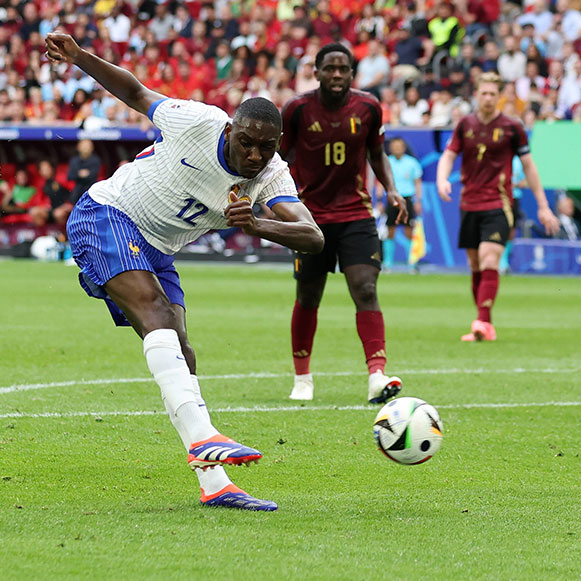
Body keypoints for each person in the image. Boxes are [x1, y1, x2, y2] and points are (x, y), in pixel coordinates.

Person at [45, 31, 325, 511]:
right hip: (107, 213)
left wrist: (258, 224)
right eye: (247, 143)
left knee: (184, 354)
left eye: (266, 147)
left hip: (157, 248)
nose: (255, 155)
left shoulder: (272, 175)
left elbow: (313, 236)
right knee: (155, 312)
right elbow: (136, 93)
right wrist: (78, 57)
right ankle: (202, 437)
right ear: (229, 131)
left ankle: (216, 485)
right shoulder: (196, 121)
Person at [280, 43, 408, 403]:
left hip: (356, 213)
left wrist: (392, 190)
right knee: (308, 295)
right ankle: (302, 377)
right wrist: (277, 200)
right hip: (310, 219)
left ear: (352, 74)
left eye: (344, 69)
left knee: (366, 289)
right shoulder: (297, 109)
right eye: (330, 68)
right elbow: (279, 157)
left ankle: (377, 376)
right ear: (316, 71)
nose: (337, 75)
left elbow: (376, 153)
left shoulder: (368, 107)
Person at [436, 71, 559, 342]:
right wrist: (442, 179)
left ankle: (480, 321)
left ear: (499, 96)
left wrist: (542, 206)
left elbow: (529, 166)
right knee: (475, 265)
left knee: (489, 257)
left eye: (493, 93)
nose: (488, 98)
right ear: (476, 95)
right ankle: (485, 324)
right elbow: (449, 155)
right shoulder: (464, 125)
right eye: (484, 93)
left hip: (498, 203)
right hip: (469, 203)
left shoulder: (512, 127)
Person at [380, 136, 424, 271]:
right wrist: (380, 200)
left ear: (404, 148)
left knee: (409, 231)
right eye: (394, 146)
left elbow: (417, 183)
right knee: (390, 230)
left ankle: (412, 262)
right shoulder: (386, 162)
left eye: (399, 146)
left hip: (408, 199)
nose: (397, 149)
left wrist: (418, 201)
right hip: (392, 200)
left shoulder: (412, 163)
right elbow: (381, 182)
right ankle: (388, 263)